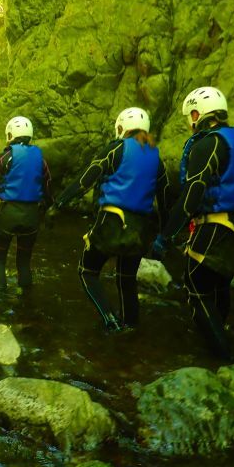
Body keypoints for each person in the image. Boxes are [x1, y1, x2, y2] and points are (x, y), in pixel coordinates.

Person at [152, 87, 234, 360]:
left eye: (190, 116)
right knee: (219, 287)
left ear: (197, 114)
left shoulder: (207, 143)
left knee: (197, 290)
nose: (190, 122)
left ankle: (224, 359)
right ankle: (220, 349)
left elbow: (192, 193)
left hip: (213, 227)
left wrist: (165, 236)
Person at [51, 108, 170, 329]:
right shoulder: (157, 158)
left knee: (87, 272)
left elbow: (86, 178)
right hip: (140, 230)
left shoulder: (116, 148)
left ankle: (111, 322)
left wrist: (59, 203)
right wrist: (163, 236)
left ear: (122, 127)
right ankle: (131, 330)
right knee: (126, 281)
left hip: (111, 224)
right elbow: (164, 201)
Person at [0, 116, 53, 290]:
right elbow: (48, 189)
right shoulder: (41, 159)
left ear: (11, 134)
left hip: (7, 215)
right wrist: (47, 214)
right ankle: (26, 303)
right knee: (24, 263)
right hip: (31, 216)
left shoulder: (5, 157)